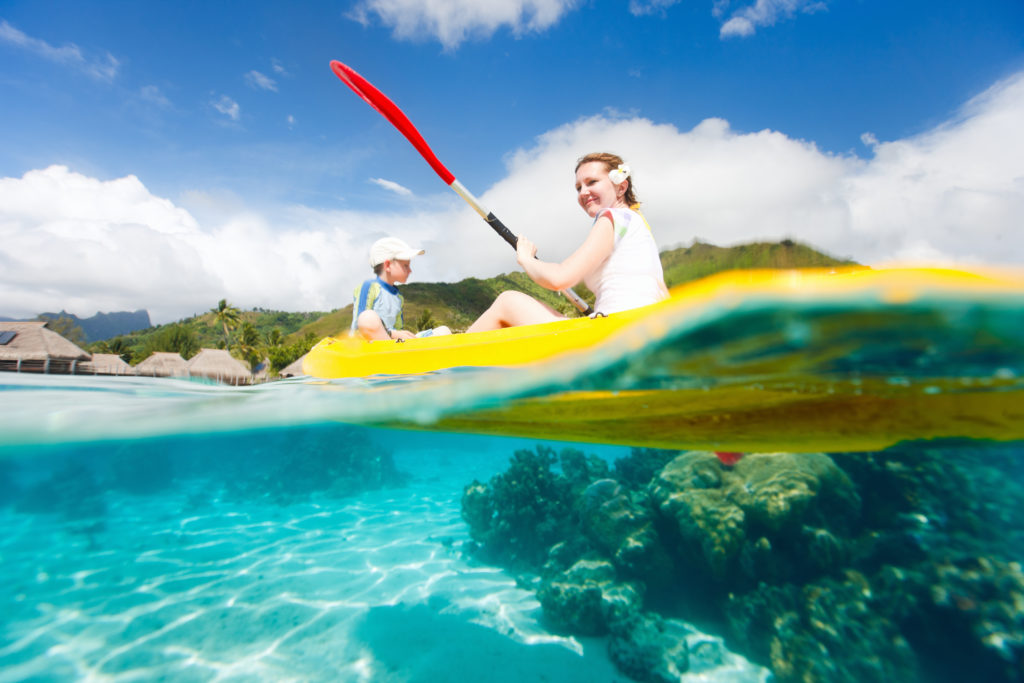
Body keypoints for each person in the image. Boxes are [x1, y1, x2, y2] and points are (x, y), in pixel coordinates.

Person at [466, 152, 669, 333]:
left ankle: (448, 350)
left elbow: (560, 278)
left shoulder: (611, 217)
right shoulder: (637, 224)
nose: (582, 192)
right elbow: (662, 294)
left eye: (592, 182)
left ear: (621, 187)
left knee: (508, 301)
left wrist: (526, 259)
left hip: (615, 331)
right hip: (642, 328)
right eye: (578, 187)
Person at [352, 237, 450, 341]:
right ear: (388, 265)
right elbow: (359, 328)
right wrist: (391, 333)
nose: (410, 270)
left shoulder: (398, 297)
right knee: (367, 318)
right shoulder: (369, 286)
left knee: (444, 330)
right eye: (406, 266)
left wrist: (401, 335)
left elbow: (399, 329)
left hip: (396, 343)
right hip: (374, 343)